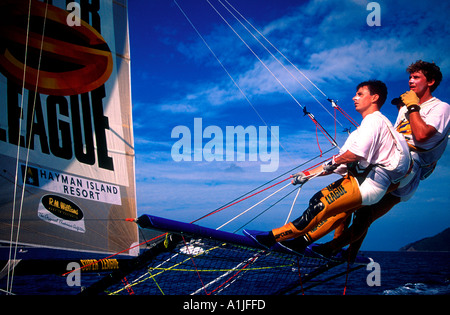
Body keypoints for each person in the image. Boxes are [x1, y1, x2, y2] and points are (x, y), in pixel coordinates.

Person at [244, 80, 411, 252]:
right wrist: (306, 175)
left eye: (360, 94)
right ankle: (299, 243)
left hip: (368, 185)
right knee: (318, 202)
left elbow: (353, 155)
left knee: (319, 206)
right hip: (359, 182)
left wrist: (332, 163)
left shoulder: (375, 121)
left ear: (374, 98)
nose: (354, 98)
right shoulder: (360, 131)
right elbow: (338, 164)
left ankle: (270, 238)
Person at [314, 60, 450, 260]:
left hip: (410, 169)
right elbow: (397, 137)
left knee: (363, 213)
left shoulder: (441, 107)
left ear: (430, 81)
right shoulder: (404, 109)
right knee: (353, 205)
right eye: (410, 77)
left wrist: (412, 106)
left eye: (416, 77)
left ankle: (331, 248)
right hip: (393, 160)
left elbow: (421, 136)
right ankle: (343, 253)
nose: (411, 81)